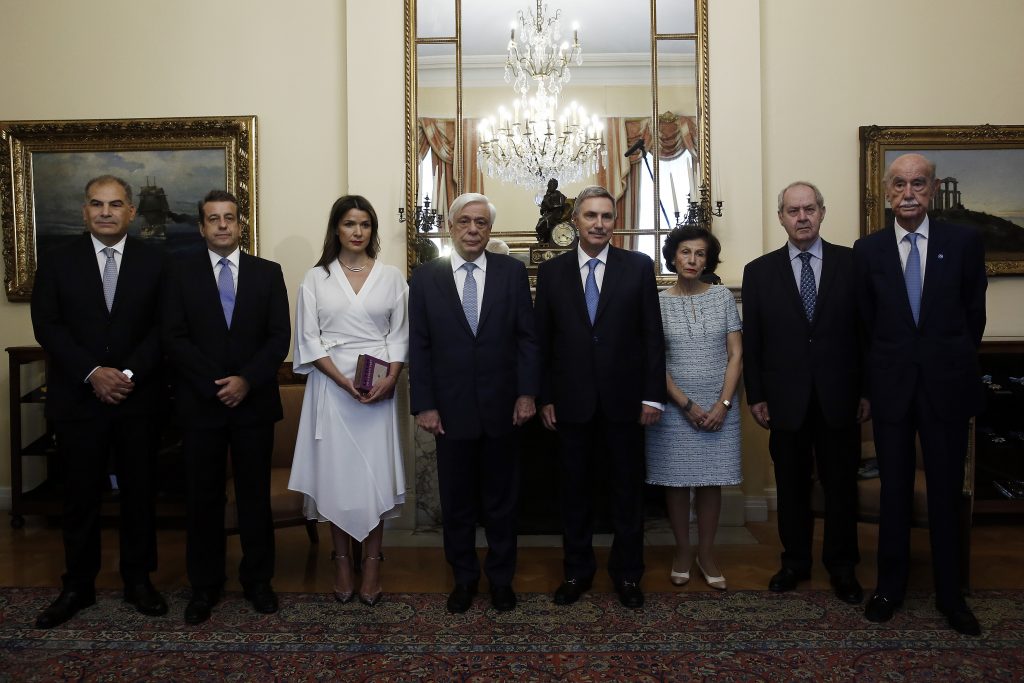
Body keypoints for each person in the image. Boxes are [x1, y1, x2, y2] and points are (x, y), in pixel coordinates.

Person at [855, 154, 987, 635]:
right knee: (894, 490)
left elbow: (974, 316)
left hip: (946, 388)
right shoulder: (868, 250)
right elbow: (865, 325)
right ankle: (889, 589)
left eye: (918, 183)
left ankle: (951, 596)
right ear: (887, 192)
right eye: (899, 184)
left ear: (932, 189)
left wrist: (946, 362)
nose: (908, 193)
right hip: (891, 390)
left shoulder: (964, 242)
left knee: (946, 492)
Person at [30, 175, 168, 628]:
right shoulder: (57, 260)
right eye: (96, 204)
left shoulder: (158, 261)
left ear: (132, 211)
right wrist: (93, 373)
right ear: (84, 211)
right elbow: (47, 325)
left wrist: (125, 375)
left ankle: (138, 581)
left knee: (139, 494)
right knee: (79, 497)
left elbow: (165, 327)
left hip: (137, 398)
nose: (105, 212)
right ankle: (78, 586)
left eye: (115, 204)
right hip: (78, 398)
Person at [162, 189, 290, 625]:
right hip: (201, 404)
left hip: (253, 404)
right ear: (202, 227)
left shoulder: (267, 273)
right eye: (213, 218)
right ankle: (205, 585)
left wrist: (246, 380)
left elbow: (279, 336)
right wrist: (215, 384)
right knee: (203, 499)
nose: (221, 225)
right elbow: (173, 336)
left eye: (229, 217)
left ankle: (258, 581)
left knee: (255, 497)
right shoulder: (179, 273)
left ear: (240, 224)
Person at [535, 185, 666, 609]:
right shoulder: (552, 273)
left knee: (627, 494)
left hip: (625, 402)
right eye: (590, 215)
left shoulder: (638, 267)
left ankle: (628, 575)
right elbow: (543, 341)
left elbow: (652, 336)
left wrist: (652, 397)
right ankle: (576, 572)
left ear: (615, 221)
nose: (599, 224)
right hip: (570, 403)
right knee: (573, 493)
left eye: (606, 216)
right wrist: (545, 396)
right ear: (575, 220)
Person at [409, 192, 539, 614]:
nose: (472, 229)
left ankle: (501, 580)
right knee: (458, 503)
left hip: (504, 407)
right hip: (450, 411)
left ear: (490, 229)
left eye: (481, 223)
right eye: (464, 221)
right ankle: (463, 579)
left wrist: (527, 393)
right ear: (451, 227)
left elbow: (526, 338)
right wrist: (424, 405)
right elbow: (420, 345)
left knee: (503, 503)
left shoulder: (511, 272)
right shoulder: (425, 278)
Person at [742, 181, 867, 605]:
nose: (802, 217)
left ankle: (842, 566)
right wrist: (756, 395)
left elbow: (866, 333)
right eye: (793, 211)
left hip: (840, 397)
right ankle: (794, 562)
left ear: (822, 212)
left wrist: (866, 391)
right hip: (784, 400)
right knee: (791, 486)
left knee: (841, 486)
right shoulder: (759, 272)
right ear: (781, 217)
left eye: (809, 209)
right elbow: (754, 341)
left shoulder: (852, 264)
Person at [288, 195, 408, 607]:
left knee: (372, 479)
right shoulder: (316, 278)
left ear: (373, 230)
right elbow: (308, 338)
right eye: (349, 224)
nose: (358, 232)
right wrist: (341, 381)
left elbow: (400, 335)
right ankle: (341, 563)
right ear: (336, 229)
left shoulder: (391, 277)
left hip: (378, 389)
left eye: (365, 224)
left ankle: (372, 566)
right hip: (331, 389)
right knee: (338, 479)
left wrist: (391, 378)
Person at [645, 226, 742, 591]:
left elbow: (736, 355)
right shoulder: (656, 302)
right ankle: (683, 552)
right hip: (674, 407)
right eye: (685, 252)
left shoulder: (722, 297)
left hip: (720, 406)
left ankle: (706, 553)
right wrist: (685, 404)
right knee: (676, 481)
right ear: (673, 256)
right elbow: (654, 360)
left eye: (700, 254)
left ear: (707, 260)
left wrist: (723, 404)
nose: (692, 259)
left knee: (710, 481)